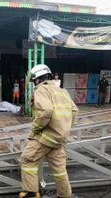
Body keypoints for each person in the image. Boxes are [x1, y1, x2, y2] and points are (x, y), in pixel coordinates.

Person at [19, 64, 78, 198]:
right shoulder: (63, 91)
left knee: (28, 159)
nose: (35, 84)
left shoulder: (41, 90)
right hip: (59, 138)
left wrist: (34, 130)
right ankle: (65, 195)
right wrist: (64, 127)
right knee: (59, 169)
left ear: (38, 79)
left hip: (46, 137)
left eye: (34, 81)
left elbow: (46, 111)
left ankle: (32, 193)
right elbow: (74, 111)